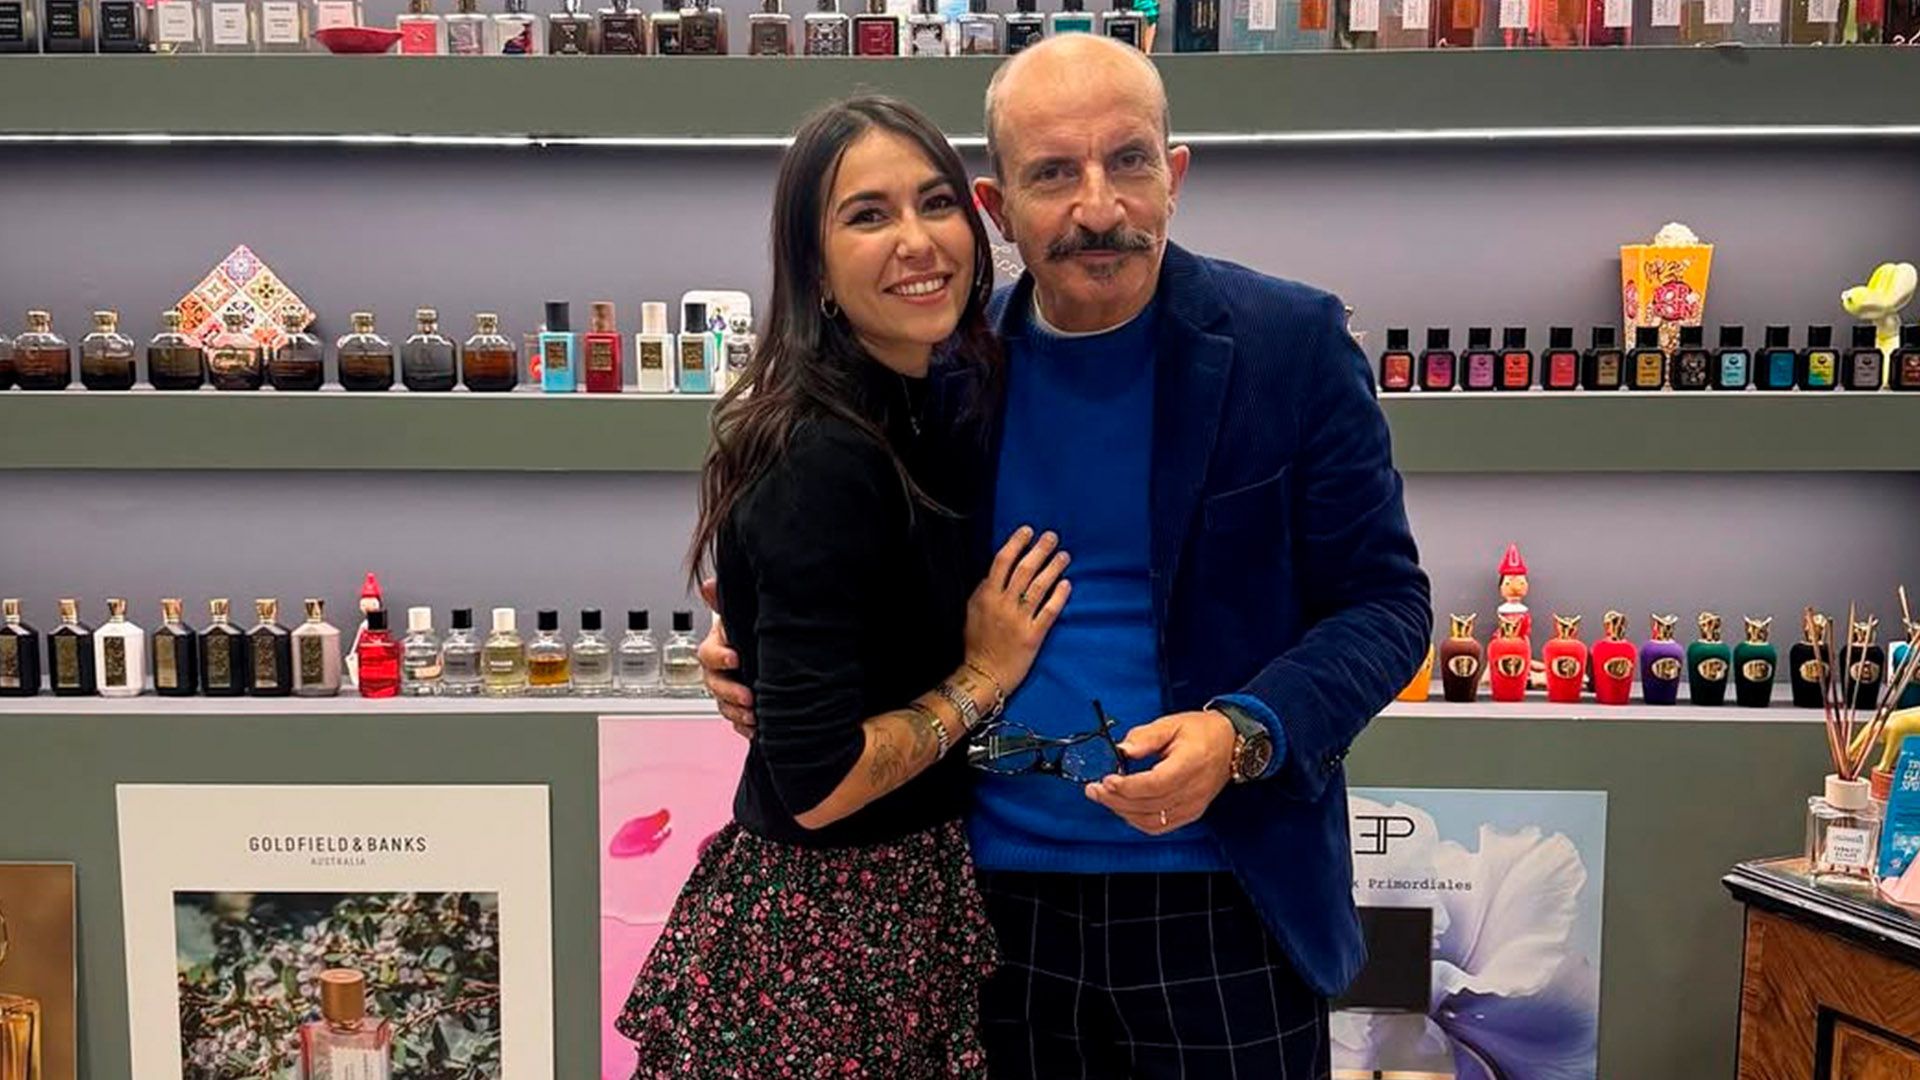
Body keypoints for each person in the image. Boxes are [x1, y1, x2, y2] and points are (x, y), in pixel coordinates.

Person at [705, 34, 1432, 1080]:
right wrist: (747, 641)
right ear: (999, 208)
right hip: (987, 908)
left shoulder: (1291, 345)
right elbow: (841, 555)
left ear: (1174, 176)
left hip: (1226, 889)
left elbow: (1385, 605)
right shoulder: (947, 373)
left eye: (1128, 160)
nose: (1099, 206)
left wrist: (1243, 733)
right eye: (1053, 173)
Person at [615, 96, 1072, 1078]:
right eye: (868, 215)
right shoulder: (822, 458)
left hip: (903, 914)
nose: (917, 240)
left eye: (936, 203)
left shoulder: (931, 405)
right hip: (819, 948)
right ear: (814, 268)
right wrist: (985, 677)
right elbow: (818, 785)